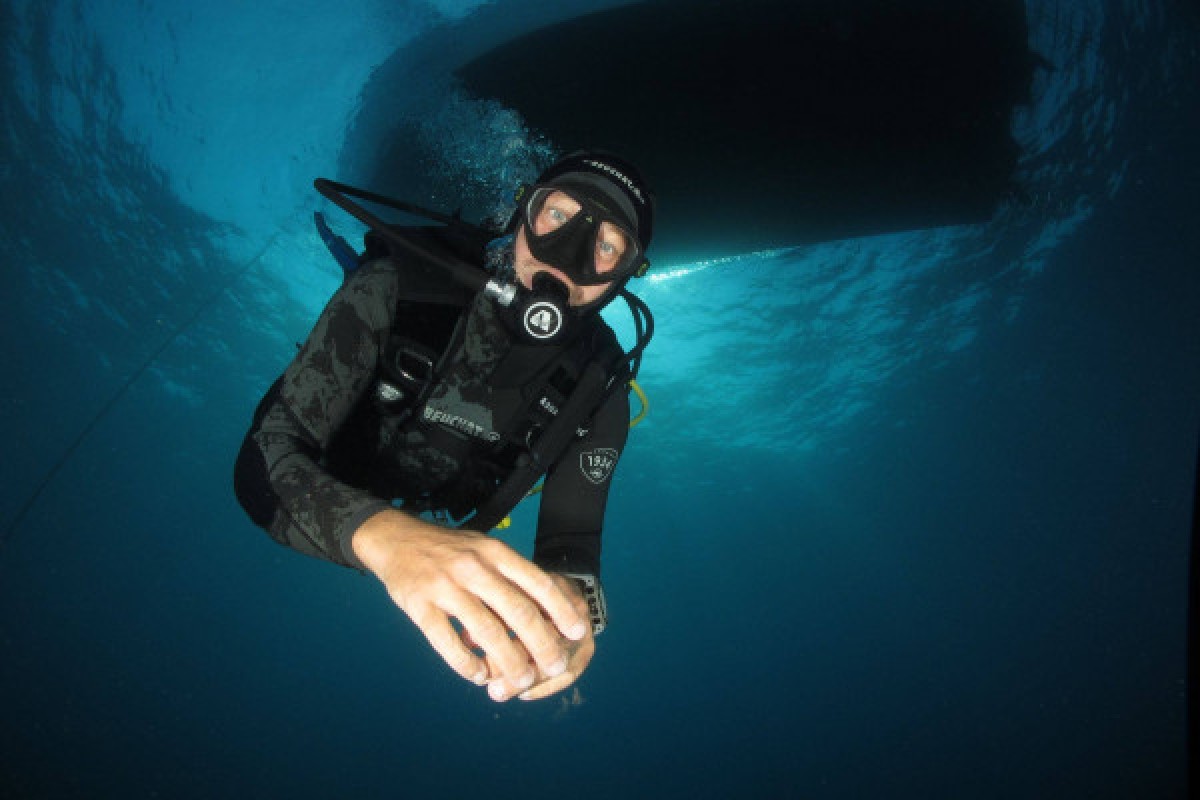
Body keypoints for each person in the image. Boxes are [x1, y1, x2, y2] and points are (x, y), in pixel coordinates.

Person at [233, 151, 655, 703]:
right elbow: (262, 469)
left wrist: (568, 616)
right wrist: (390, 541)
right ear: (520, 214)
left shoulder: (598, 389)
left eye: (605, 246)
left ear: (622, 278)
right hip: (331, 476)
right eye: (557, 216)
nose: (569, 257)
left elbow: (571, 545)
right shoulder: (393, 287)